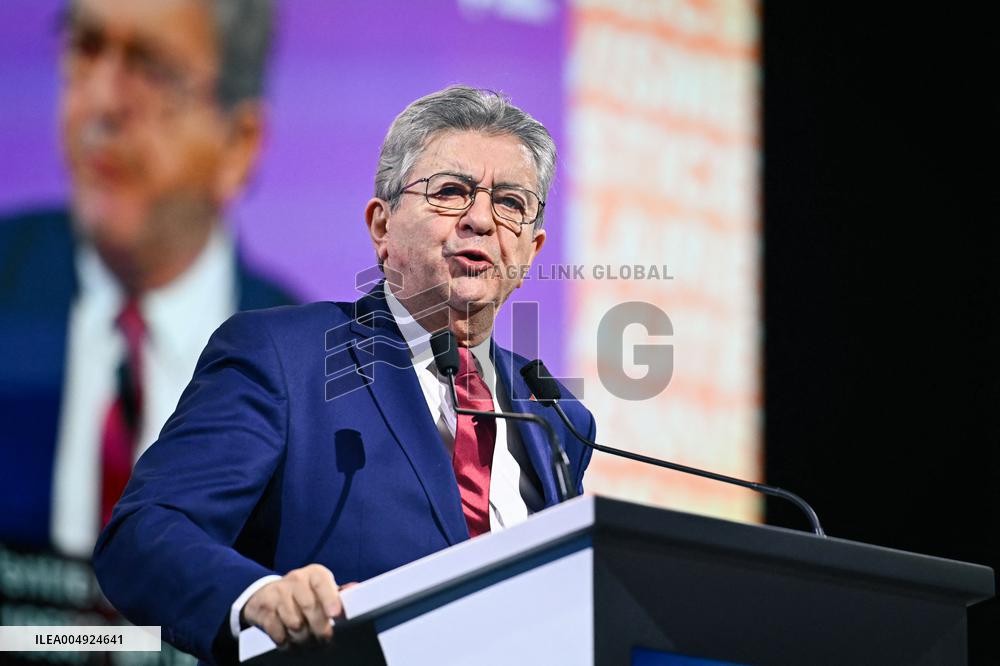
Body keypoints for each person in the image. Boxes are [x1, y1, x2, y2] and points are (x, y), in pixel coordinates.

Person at [93, 85, 595, 663]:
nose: (480, 219)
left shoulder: (557, 420)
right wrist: (258, 599)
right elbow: (144, 535)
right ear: (382, 227)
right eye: (450, 192)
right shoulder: (285, 358)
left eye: (509, 203)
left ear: (531, 252)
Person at [0, 0, 296, 557]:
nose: (102, 102)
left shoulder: (307, 371)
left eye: (152, 69)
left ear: (238, 144)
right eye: (87, 49)